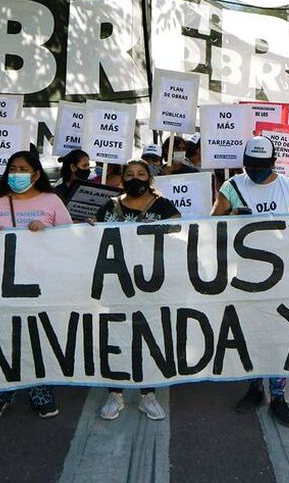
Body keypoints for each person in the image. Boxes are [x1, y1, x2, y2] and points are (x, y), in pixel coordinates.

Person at [0, 150, 72, 420]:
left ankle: (40, 390)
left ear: (36, 174)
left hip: (41, 283)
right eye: (12, 168)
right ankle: (2, 391)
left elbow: (72, 238)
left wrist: (48, 231)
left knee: (38, 336)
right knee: (3, 336)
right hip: (1, 284)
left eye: (23, 169)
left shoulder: (52, 201)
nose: (16, 173)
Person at [212, 136, 289, 428]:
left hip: (281, 275)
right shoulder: (232, 186)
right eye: (250, 165)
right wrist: (229, 217)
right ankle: (255, 387)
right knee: (250, 332)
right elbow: (212, 223)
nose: (255, 170)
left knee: (278, 333)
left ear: (273, 162)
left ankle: (278, 395)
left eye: (261, 165)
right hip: (245, 275)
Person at [94, 160, 180, 421]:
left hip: (151, 283)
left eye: (141, 174)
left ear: (149, 179)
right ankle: (115, 393)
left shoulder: (164, 206)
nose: (135, 178)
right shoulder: (110, 206)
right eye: (129, 174)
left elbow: (180, 233)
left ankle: (148, 394)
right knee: (116, 336)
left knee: (149, 335)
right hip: (116, 283)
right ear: (122, 179)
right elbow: (92, 236)